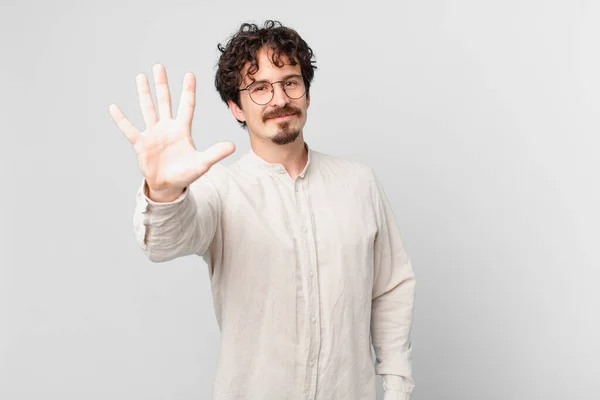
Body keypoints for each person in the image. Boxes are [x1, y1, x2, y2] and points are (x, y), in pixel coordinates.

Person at [109, 20, 416, 400]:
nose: (279, 99)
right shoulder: (219, 191)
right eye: (259, 89)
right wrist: (164, 189)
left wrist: (398, 386)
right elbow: (163, 242)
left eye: (290, 81)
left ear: (306, 93)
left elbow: (390, 287)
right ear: (236, 107)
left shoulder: (359, 183)